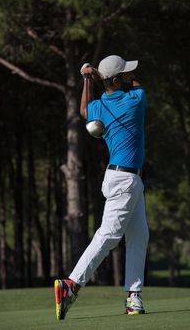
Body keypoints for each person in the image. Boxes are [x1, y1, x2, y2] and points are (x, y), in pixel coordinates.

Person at [54, 55, 149, 320]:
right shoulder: (136, 99)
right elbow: (138, 86)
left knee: (139, 236)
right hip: (126, 181)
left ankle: (133, 297)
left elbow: (84, 111)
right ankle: (71, 284)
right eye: (126, 74)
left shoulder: (99, 107)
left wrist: (87, 79)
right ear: (118, 80)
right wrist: (100, 77)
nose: (131, 76)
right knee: (108, 235)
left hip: (125, 179)